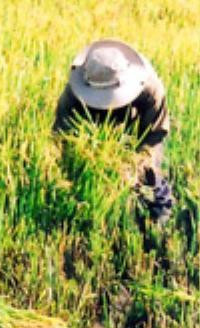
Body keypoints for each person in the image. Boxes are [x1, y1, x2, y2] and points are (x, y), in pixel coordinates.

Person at [53, 39, 173, 228]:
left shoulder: (150, 89)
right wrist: (85, 161)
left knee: (152, 183)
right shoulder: (73, 95)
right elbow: (63, 136)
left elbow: (155, 134)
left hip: (137, 128)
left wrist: (136, 165)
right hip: (92, 130)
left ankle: (158, 225)